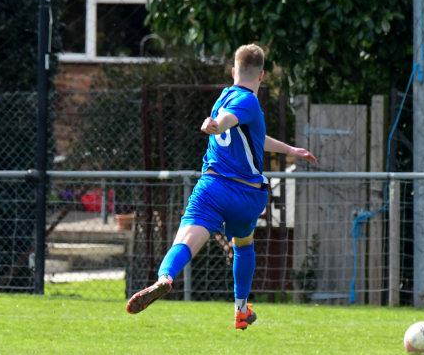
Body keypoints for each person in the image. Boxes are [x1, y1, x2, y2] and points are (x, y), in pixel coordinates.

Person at [126, 44, 317, 329]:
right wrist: (218, 125)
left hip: (213, 189)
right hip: (246, 195)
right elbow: (229, 121)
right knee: (244, 245)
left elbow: (249, 134)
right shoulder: (248, 101)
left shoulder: (224, 97)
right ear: (262, 75)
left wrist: (289, 149)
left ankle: (165, 278)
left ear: (233, 71)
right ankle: (241, 310)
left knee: (184, 242)